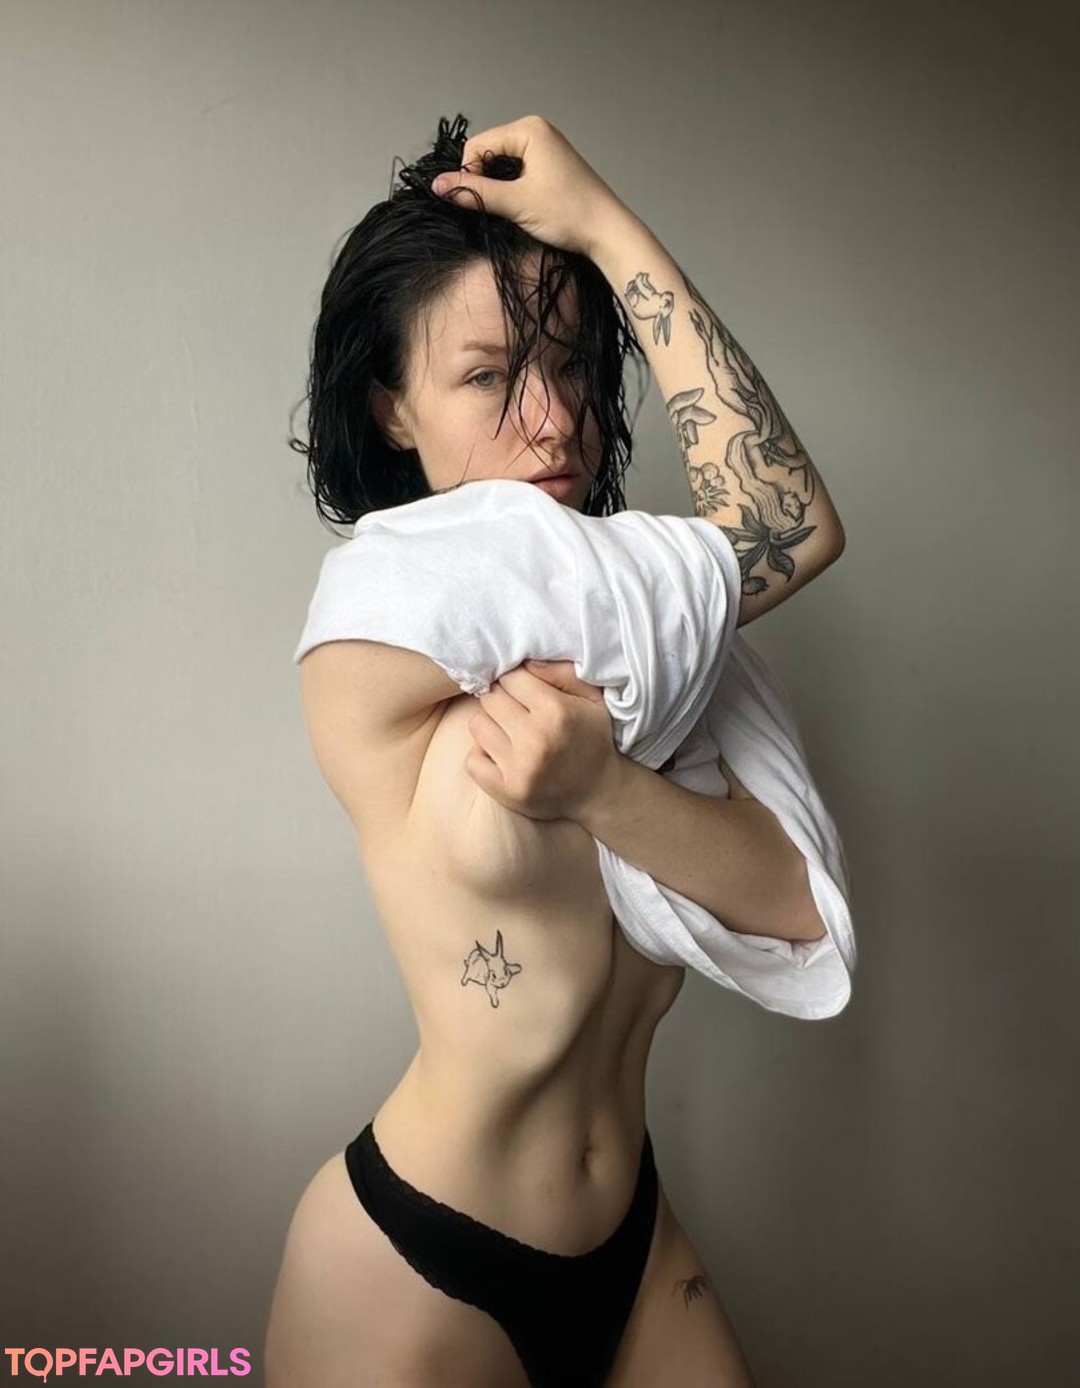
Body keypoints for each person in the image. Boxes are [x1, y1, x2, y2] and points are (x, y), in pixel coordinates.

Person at [264, 113, 847, 1387]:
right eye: (488, 376)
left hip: (635, 1241)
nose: (555, 419)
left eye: (576, 365)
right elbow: (789, 524)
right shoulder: (372, 621)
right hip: (416, 1264)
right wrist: (595, 218)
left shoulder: (664, 633)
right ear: (393, 407)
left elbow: (797, 907)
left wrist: (603, 788)